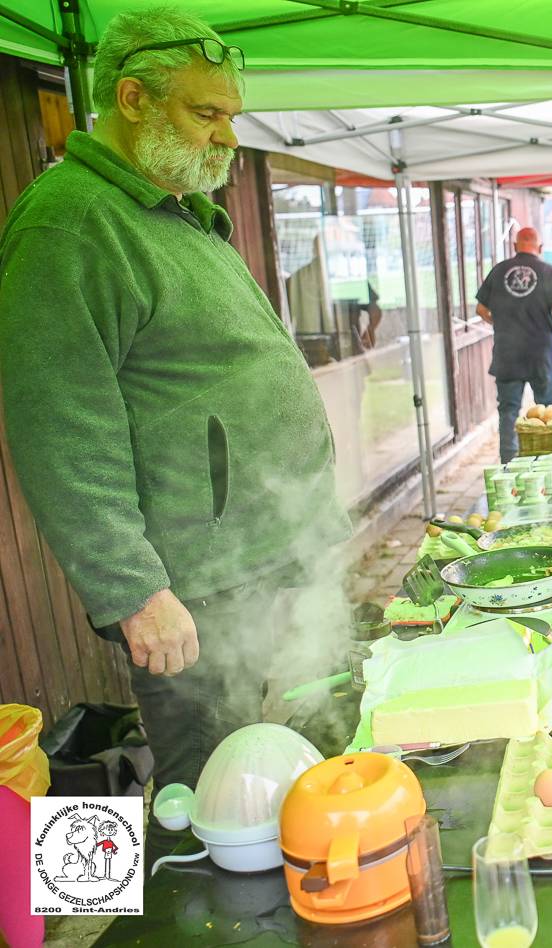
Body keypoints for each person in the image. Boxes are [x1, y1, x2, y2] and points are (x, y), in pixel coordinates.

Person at [0, 11, 349, 804]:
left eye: (232, 113)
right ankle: (157, 915)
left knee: (298, 776)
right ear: (132, 99)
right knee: (208, 802)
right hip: (197, 590)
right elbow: (59, 427)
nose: (230, 135)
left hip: (272, 558)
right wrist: (131, 591)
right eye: (207, 113)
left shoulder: (175, 210)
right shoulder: (70, 224)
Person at [476, 226, 552, 462]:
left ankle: (509, 467)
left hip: (508, 355)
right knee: (547, 412)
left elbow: (480, 309)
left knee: (508, 412)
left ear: (515, 246)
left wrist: (499, 322)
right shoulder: (549, 272)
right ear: (540, 248)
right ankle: (548, 464)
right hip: (542, 354)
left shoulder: (499, 271)